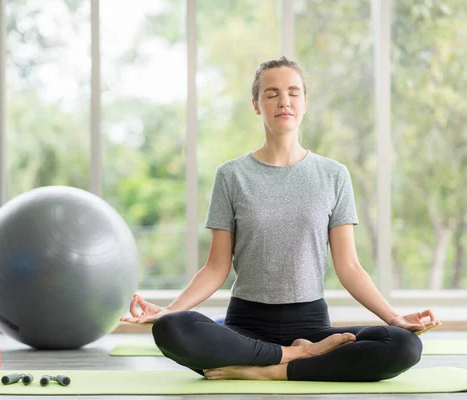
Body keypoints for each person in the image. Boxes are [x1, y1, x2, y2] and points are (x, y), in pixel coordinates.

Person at [120, 56, 441, 382]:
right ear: (257, 105)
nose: (283, 101)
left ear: (305, 102)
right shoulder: (231, 175)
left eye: (293, 92)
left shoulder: (334, 175)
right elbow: (216, 267)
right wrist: (168, 310)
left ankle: (270, 370)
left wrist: (394, 318)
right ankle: (295, 358)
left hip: (313, 327)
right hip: (245, 325)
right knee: (172, 328)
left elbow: (350, 267)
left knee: (402, 345)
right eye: (271, 93)